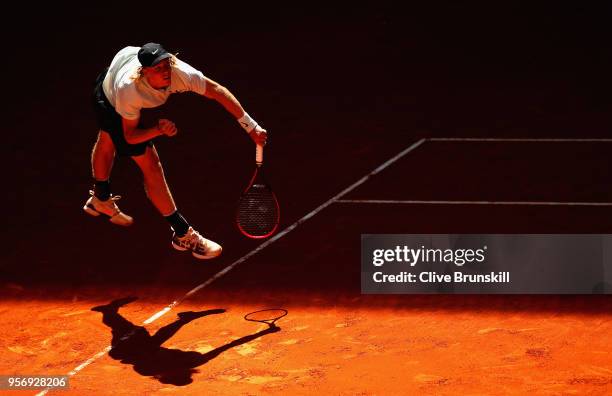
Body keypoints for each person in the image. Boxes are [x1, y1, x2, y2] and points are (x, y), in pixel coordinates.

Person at [83, 43, 267, 259]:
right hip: (110, 97)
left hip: (116, 70)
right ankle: (182, 233)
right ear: (143, 73)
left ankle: (101, 199)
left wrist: (251, 126)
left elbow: (216, 90)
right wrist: (157, 130)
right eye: (157, 69)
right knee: (150, 164)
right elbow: (129, 137)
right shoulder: (129, 91)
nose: (165, 72)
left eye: (165, 64)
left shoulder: (180, 72)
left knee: (107, 138)